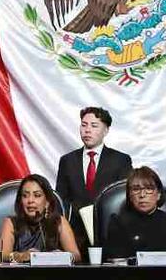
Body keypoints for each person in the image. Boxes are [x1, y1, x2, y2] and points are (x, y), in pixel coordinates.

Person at [55, 107, 132, 250]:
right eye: (84, 125)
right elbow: (61, 200)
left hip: (109, 235)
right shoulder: (67, 160)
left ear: (106, 130)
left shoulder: (121, 160)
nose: (87, 130)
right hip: (74, 237)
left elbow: (124, 199)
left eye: (94, 125)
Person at [103, 167, 166, 261]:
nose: (142, 195)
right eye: (136, 189)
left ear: (158, 194)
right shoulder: (118, 223)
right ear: (129, 195)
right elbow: (114, 263)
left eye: (149, 189)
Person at [0, 174, 80, 263]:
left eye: (37, 195)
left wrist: (63, 256)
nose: (30, 200)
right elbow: (2, 256)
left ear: (47, 202)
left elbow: (76, 256)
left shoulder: (59, 221)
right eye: (25, 195)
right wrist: (20, 256)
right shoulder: (11, 222)